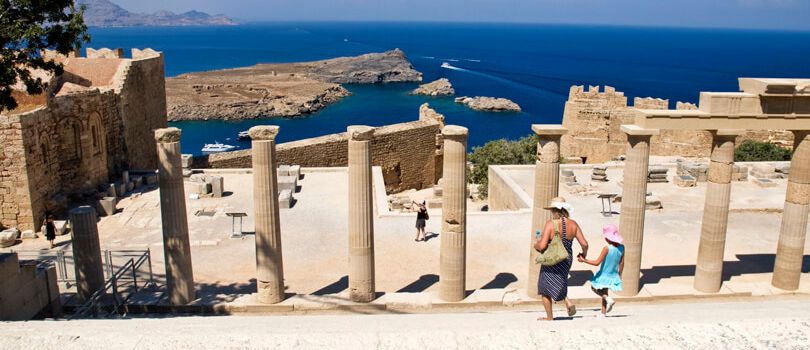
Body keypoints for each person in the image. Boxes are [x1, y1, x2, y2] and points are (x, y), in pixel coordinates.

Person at [534, 197, 589, 321]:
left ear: (554, 210)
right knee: (561, 280)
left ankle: (549, 317)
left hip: (552, 258)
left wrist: (536, 245)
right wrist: (583, 255)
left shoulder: (550, 224)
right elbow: (585, 244)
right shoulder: (573, 224)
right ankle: (568, 302)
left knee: (544, 287)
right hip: (566, 259)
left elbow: (542, 246)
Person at [578, 224, 624, 317]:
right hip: (613, 274)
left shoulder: (607, 248)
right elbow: (622, 263)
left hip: (603, 274)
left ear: (608, 238)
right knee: (605, 291)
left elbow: (596, 263)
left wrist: (584, 260)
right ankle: (603, 313)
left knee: (594, 288)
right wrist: (619, 274)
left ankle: (607, 299)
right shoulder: (622, 247)